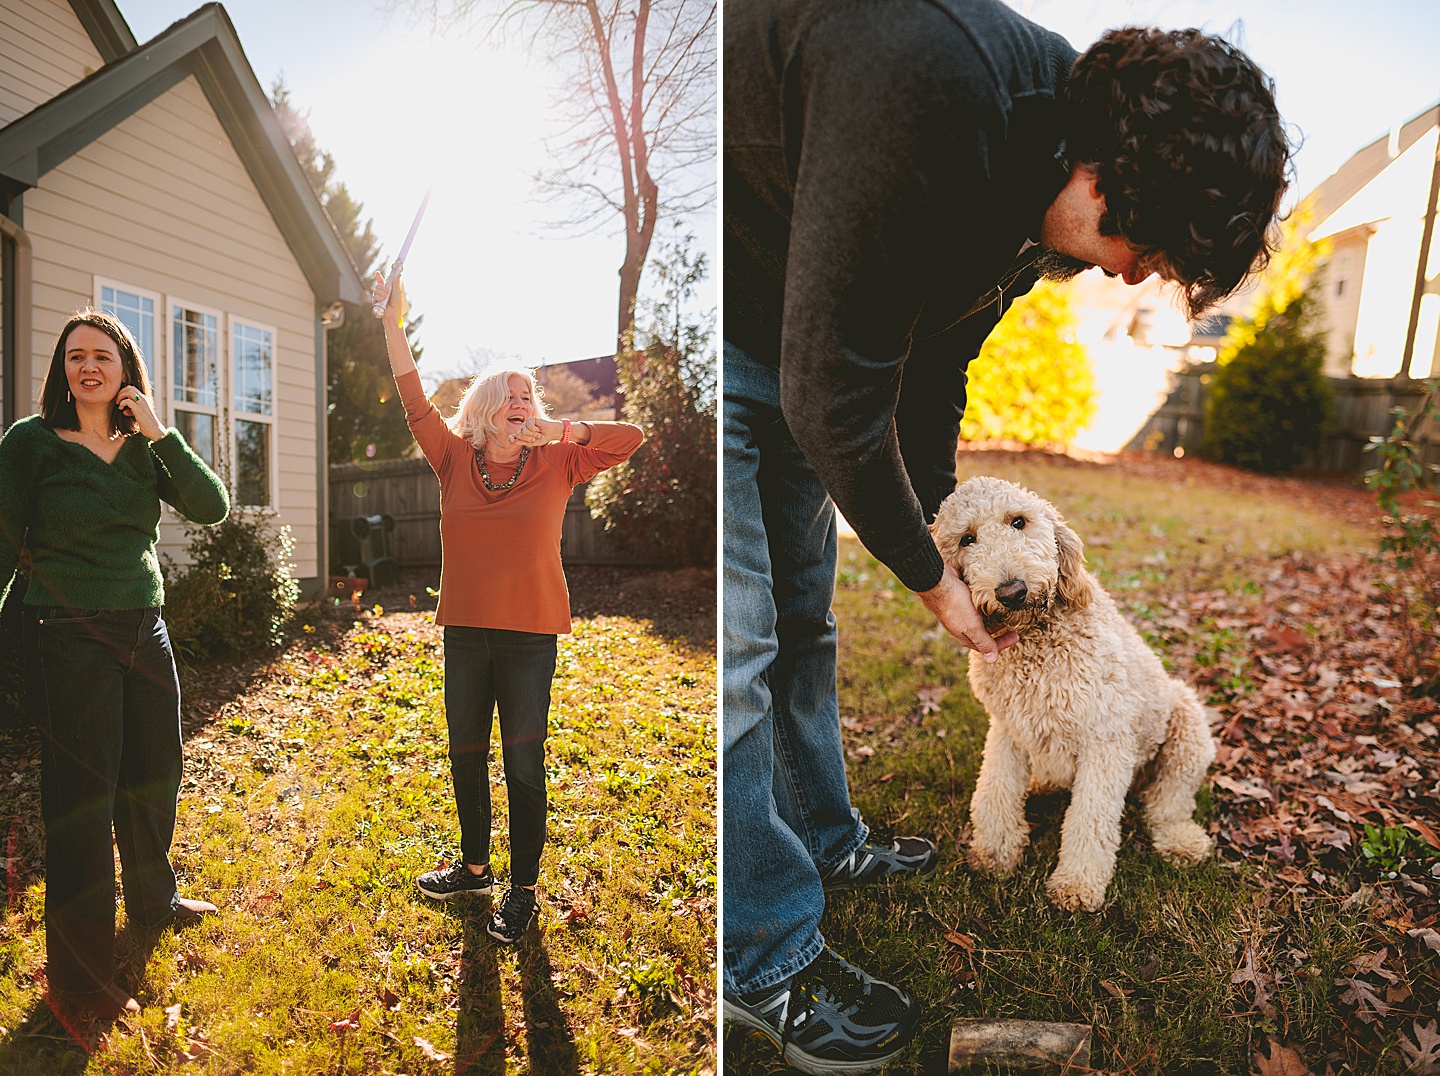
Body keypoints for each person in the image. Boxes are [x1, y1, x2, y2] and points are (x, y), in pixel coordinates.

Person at [722, 1, 1292, 1070]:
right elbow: (832, 386)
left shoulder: (1032, 205)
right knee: (738, 646)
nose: (1130, 272)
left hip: (800, 340)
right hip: (745, 326)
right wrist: (934, 577)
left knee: (803, 620)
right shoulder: (934, 85)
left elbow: (932, 365)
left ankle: (828, 840)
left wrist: (953, 535)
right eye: (1148, 245)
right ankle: (761, 954)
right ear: (1115, 168)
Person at [370, 269, 643, 943]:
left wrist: (567, 431)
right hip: (463, 632)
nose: (525, 400)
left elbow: (630, 438)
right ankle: (472, 867)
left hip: (529, 637)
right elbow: (411, 398)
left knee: (523, 762)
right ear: (488, 406)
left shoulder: (557, 463)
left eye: (531, 394)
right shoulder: (453, 459)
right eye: (513, 393)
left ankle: (522, 890)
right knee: (466, 752)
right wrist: (392, 326)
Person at [0, 310, 229, 1024]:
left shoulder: (143, 446)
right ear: (62, 370)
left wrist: (161, 431)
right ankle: (79, 975)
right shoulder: (30, 443)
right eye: (76, 357)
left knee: (156, 773)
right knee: (81, 801)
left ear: (126, 368)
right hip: (66, 633)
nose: (88, 366)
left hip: (144, 628)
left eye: (103, 355)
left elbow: (212, 507)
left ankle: (155, 900)